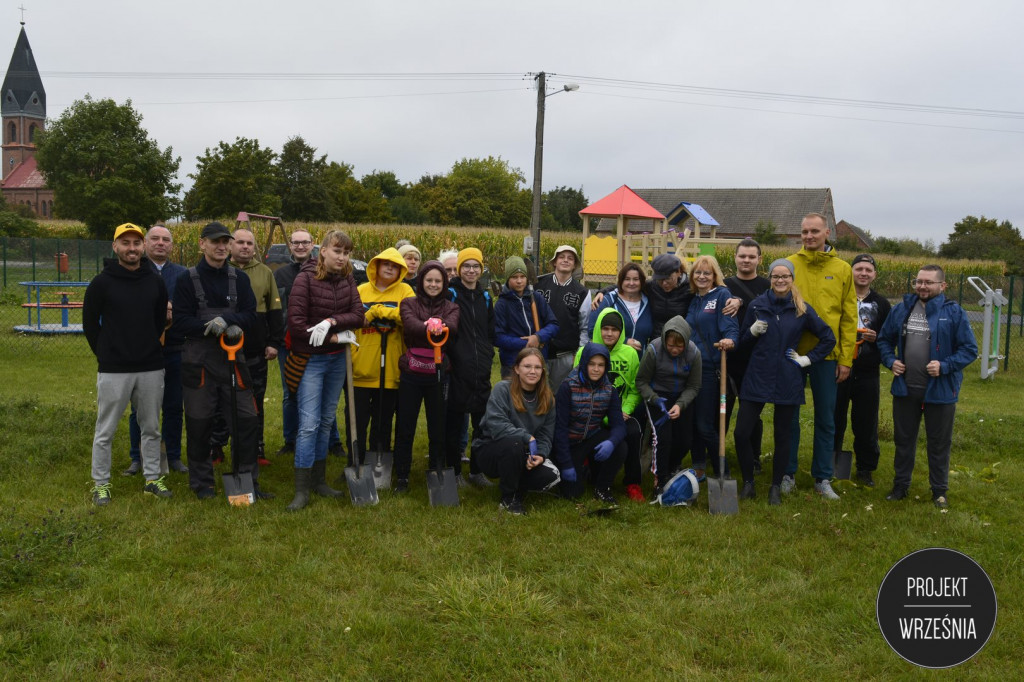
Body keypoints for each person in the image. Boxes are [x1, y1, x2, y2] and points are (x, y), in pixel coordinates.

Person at [172, 222, 263, 500]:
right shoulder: (187, 280)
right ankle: (202, 484)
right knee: (200, 423)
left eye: (226, 241)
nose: (221, 246)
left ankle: (247, 482)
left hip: (234, 360)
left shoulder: (239, 279)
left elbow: (251, 314)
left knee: (247, 421)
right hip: (199, 362)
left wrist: (232, 321)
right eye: (215, 242)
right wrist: (206, 328)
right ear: (202, 244)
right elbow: (179, 322)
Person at [734, 259, 836, 505]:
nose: (780, 281)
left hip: (787, 376)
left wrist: (807, 359)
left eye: (785, 277)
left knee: (783, 435)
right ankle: (748, 482)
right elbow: (741, 342)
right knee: (740, 433)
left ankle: (776, 486)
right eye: (776, 276)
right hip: (757, 374)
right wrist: (751, 332)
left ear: (792, 279)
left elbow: (827, 337)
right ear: (770, 278)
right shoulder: (757, 305)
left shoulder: (801, 308)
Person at [84, 223, 171, 505]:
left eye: (136, 242)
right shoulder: (101, 283)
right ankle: (100, 484)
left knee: (151, 427)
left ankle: (152, 479)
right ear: (115, 247)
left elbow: (160, 319)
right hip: (113, 368)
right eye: (125, 243)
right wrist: (106, 353)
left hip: (150, 366)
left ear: (142, 246)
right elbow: (89, 324)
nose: (131, 248)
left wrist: (148, 345)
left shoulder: (154, 280)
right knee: (105, 429)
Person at [877, 265, 977, 509]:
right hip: (906, 388)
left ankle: (939, 491)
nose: (922, 286)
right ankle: (900, 486)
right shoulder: (902, 309)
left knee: (939, 443)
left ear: (942, 286)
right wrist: (891, 361)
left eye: (928, 282)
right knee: (904, 441)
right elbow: (884, 340)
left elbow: (969, 350)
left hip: (940, 392)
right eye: (919, 281)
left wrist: (944, 366)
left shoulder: (954, 313)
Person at [284, 230, 365, 511]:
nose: (342, 257)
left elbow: (358, 315)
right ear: (323, 252)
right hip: (311, 361)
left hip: (336, 362)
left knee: (327, 420)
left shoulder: (347, 278)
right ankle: (301, 489)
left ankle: (319, 480)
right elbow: (295, 325)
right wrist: (334, 336)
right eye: (337, 251)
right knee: (308, 424)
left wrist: (331, 321)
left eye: (346, 253)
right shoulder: (304, 279)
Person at [784, 213, 858, 500]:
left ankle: (822, 477)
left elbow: (849, 317)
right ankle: (788, 472)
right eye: (804, 232)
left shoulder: (842, 269)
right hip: (793, 354)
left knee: (826, 418)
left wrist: (846, 359)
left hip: (828, 357)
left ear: (827, 232)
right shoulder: (789, 264)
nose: (809, 236)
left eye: (815, 231)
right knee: (789, 415)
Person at [124, 224, 188, 476]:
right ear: (145, 244)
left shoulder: (183, 274)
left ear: (171, 245)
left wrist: (174, 312)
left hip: (175, 349)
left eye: (166, 239)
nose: (161, 243)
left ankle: (172, 456)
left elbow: (189, 309)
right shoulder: (134, 271)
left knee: (173, 405)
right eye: (155, 239)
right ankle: (137, 458)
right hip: (143, 351)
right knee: (140, 408)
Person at [393, 260, 461, 493]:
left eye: (437, 281)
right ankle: (402, 475)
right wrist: (429, 326)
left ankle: (437, 469)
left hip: (439, 375)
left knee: (438, 426)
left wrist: (439, 324)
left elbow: (452, 327)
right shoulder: (408, 303)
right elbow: (410, 325)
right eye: (429, 280)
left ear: (444, 284)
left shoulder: (452, 307)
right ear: (421, 281)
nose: (433, 284)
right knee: (405, 425)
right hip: (412, 373)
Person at [274, 230, 341, 458]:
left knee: (323, 395)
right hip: (288, 343)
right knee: (290, 393)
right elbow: (277, 310)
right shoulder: (281, 274)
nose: (300, 246)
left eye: (305, 242)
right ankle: (291, 440)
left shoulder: (324, 271)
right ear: (290, 245)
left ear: (313, 245)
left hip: (318, 345)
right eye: (296, 243)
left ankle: (334, 441)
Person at [473, 348, 561, 514]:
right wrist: (527, 437)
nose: (532, 371)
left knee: (550, 476)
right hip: (491, 448)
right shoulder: (502, 389)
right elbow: (496, 425)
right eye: (527, 366)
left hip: (526, 452)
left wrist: (540, 455)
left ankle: (517, 489)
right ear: (517, 368)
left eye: (537, 367)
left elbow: (546, 435)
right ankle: (508, 499)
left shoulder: (547, 398)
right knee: (514, 444)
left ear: (543, 371)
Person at [352, 247, 414, 464]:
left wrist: (377, 310)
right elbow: (352, 322)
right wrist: (352, 357)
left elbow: (409, 317)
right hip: (361, 367)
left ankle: (379, 461)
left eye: (396, 266)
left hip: (390, 369)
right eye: (386, 264)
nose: (390, 268)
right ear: (375, 266)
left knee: (383, 420)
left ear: (401, 271)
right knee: (357, 421)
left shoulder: (405, 292)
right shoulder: (360, 290)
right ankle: (355, 462)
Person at [228, 228, 284, 470]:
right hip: (224, 349)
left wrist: (273, 343)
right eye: (240, 242)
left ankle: (257, 447)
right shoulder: (222, 271)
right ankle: (217, 446)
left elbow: (274, 311)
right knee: (222, 401)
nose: (245, 247)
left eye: (249, 243)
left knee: (255, 400)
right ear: (231, 245)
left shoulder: (264, 272)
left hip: (255, 350)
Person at [834, 254, 891, 487]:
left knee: (866, 423)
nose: (863, 273)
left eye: (868, 269)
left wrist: (877, 337)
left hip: (867, 370)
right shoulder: (840, 297)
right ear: (851, 272)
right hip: (839, 367)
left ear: (874, 274)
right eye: (859, 269)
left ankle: (866, 468)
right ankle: (831, 463)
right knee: (834, 419)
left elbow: (890, 337)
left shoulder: (882, 304)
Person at [576, 309, 643, 501]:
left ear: (621, 332)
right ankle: (589, 467)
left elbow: (634, 389)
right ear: (598, 328)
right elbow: (578, 387)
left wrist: (625, 410)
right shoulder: (584, 352)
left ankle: (633, 482)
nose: (609, 333)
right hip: (591, 414)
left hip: (622, 412)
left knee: (633, 432)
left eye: (615, 329)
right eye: (605, 328)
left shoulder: (630, 354)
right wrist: (604, 416)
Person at [444, 247, 496, 488]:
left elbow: (489, 331)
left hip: (481, 368)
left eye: (476, 266)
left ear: (481, 269)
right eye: (467, 266)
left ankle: (477, 470)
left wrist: (486, 356)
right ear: (460, 268)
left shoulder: (485, 297)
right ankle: (454, 471)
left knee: (482, 424)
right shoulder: (451, 293)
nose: (471, 270)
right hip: (457, 368)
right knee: (454, 423)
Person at [552, 342, 628, 505]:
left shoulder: (609, 389)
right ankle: (580, 470)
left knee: (620, 446)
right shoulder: (568, 387)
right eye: (592, 364)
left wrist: (611, 442)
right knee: (572, 494)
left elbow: (619, 425)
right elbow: (560, 429)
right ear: (584, 363)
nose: (596, 369)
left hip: (592, 437)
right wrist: (565, 464)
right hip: (570, 443)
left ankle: (602, 487)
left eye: (601, 365)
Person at [636, 316, 702, 496]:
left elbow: (694, 386)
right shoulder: (653, 350)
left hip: (682, 397)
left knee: (684, 440)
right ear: (665, 340)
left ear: (686, 343)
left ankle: (673, 466)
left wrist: (681, 405)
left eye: (679, 346)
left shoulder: (694, 353)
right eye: (670, 345)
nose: (674, 350)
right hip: (658, 397)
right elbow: (641, 381)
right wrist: (655, 399)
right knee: (663, 439)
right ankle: (660, 479)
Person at [685, 254, 738, 480]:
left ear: (715, 275)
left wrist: (730, 339)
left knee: (705, 423)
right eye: (698, 272)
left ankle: (721, 470)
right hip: (689, 368)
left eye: (707, 273)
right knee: (693, 421)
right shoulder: (694, 298)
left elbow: (730, 327)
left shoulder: (722, 295)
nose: (702, 276)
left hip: (709, 369)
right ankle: (698, 465)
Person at [724, 238, 771, 473]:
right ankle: (717, 454)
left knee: (751, 413)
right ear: (735, 257)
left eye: (752, 257)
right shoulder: (723, 285)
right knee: (722, 409)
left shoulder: (768, 286)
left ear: (759, 260)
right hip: (726, 359)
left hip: (755, 361)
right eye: (742, 255)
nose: (746, 260)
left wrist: (743, 301)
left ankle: (754, 456)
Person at [534, 245, 591, 391]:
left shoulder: (582, 292)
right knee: (536, 393)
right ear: (554, 262)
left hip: (565, 356)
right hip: (538, 351)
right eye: (562, 257)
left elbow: (584, 327)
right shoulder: (538, 285)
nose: (566, 260)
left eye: (570, 258)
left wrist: (579, 353)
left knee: (559, 396)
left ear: (574, 265)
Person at [494, 256, 558, 378]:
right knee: (513, 396)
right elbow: (497, 337)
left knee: (539, 396)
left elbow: (553, 324)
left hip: (538, 361)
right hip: (512, 363)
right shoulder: (502, 304)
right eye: (514, 277)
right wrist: (525, 343)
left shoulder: (536, 298)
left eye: (522, 277)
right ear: (508, 279)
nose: (519, 281)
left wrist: (538, 337)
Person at [589, 263, 653, 356]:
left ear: (642, 281)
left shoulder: (649, 302)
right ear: (621, 281)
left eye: (636, 279)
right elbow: (592, 329)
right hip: (613, 363)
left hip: (641, 364)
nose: (631, 283)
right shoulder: (607, 300)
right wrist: (624, 341)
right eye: (627, 279)